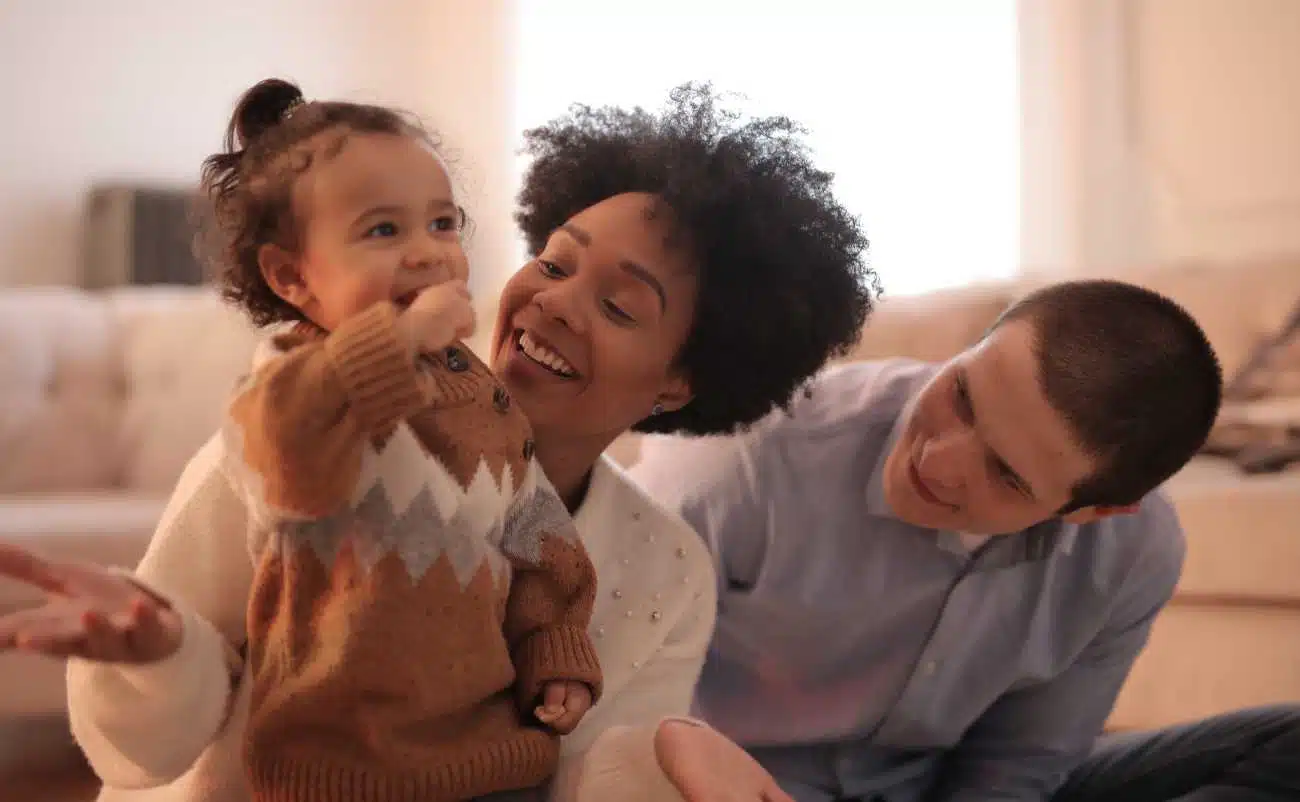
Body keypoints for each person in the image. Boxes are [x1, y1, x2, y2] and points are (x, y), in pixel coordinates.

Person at [0, 82, 876, 802]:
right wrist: (157, 654)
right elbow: (143, 757)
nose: (555, 303)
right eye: (557, 262)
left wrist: (678, 758)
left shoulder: (667, 572)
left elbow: (587, 780)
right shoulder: (304, 431)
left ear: (681, 379)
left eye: (618, 307)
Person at [633, 278, 1300, 802]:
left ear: (1094, 511)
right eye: (962, 395)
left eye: (1006, 474)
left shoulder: (1133, 556)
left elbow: (1018, 770)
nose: (939, 461)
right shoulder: (749, 455)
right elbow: (590, 689)